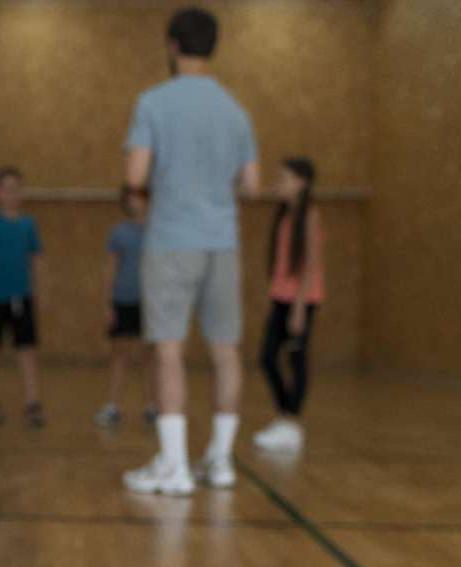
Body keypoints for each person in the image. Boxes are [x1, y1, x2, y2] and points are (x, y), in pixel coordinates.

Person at [121, 6, 260, 496]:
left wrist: (160, 191)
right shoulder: (236, 111)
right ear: (213, 46)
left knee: (169, 349)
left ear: (173, 46)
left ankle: (174, 466)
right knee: (226, 351)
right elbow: (253, 186)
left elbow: (136, 177)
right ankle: (220, 462)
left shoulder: (153, 103)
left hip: (171, 241)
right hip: (223, 241)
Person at [254, 158, 323, 452]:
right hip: (281, 297)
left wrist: (298, 307)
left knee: (296, 360)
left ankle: (291, 421)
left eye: (284, 177)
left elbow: (310, 264)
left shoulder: (310, 215)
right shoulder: (285, 215)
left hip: (301, 300)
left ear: (302, 182)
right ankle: (286, 416)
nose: (278, 182)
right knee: (267, 358)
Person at [0, 166, 47, 428]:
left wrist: (38, 290)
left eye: (16, 188)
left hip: (21, 296)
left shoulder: (28, 224)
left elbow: (36, 258)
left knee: (27, 350)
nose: (11, 193)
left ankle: (32, 402)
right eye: (6, 188)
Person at [95, 185, 157, 427]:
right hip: (122, 300)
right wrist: (108, 305)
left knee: (149, 357)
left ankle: (152, 406)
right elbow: (110, 270)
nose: (135, 202)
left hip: (150, 302)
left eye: (140, 197)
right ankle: (113, 406)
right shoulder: (118, 232)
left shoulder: (158, 231)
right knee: (120, 354)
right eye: (130, 198)